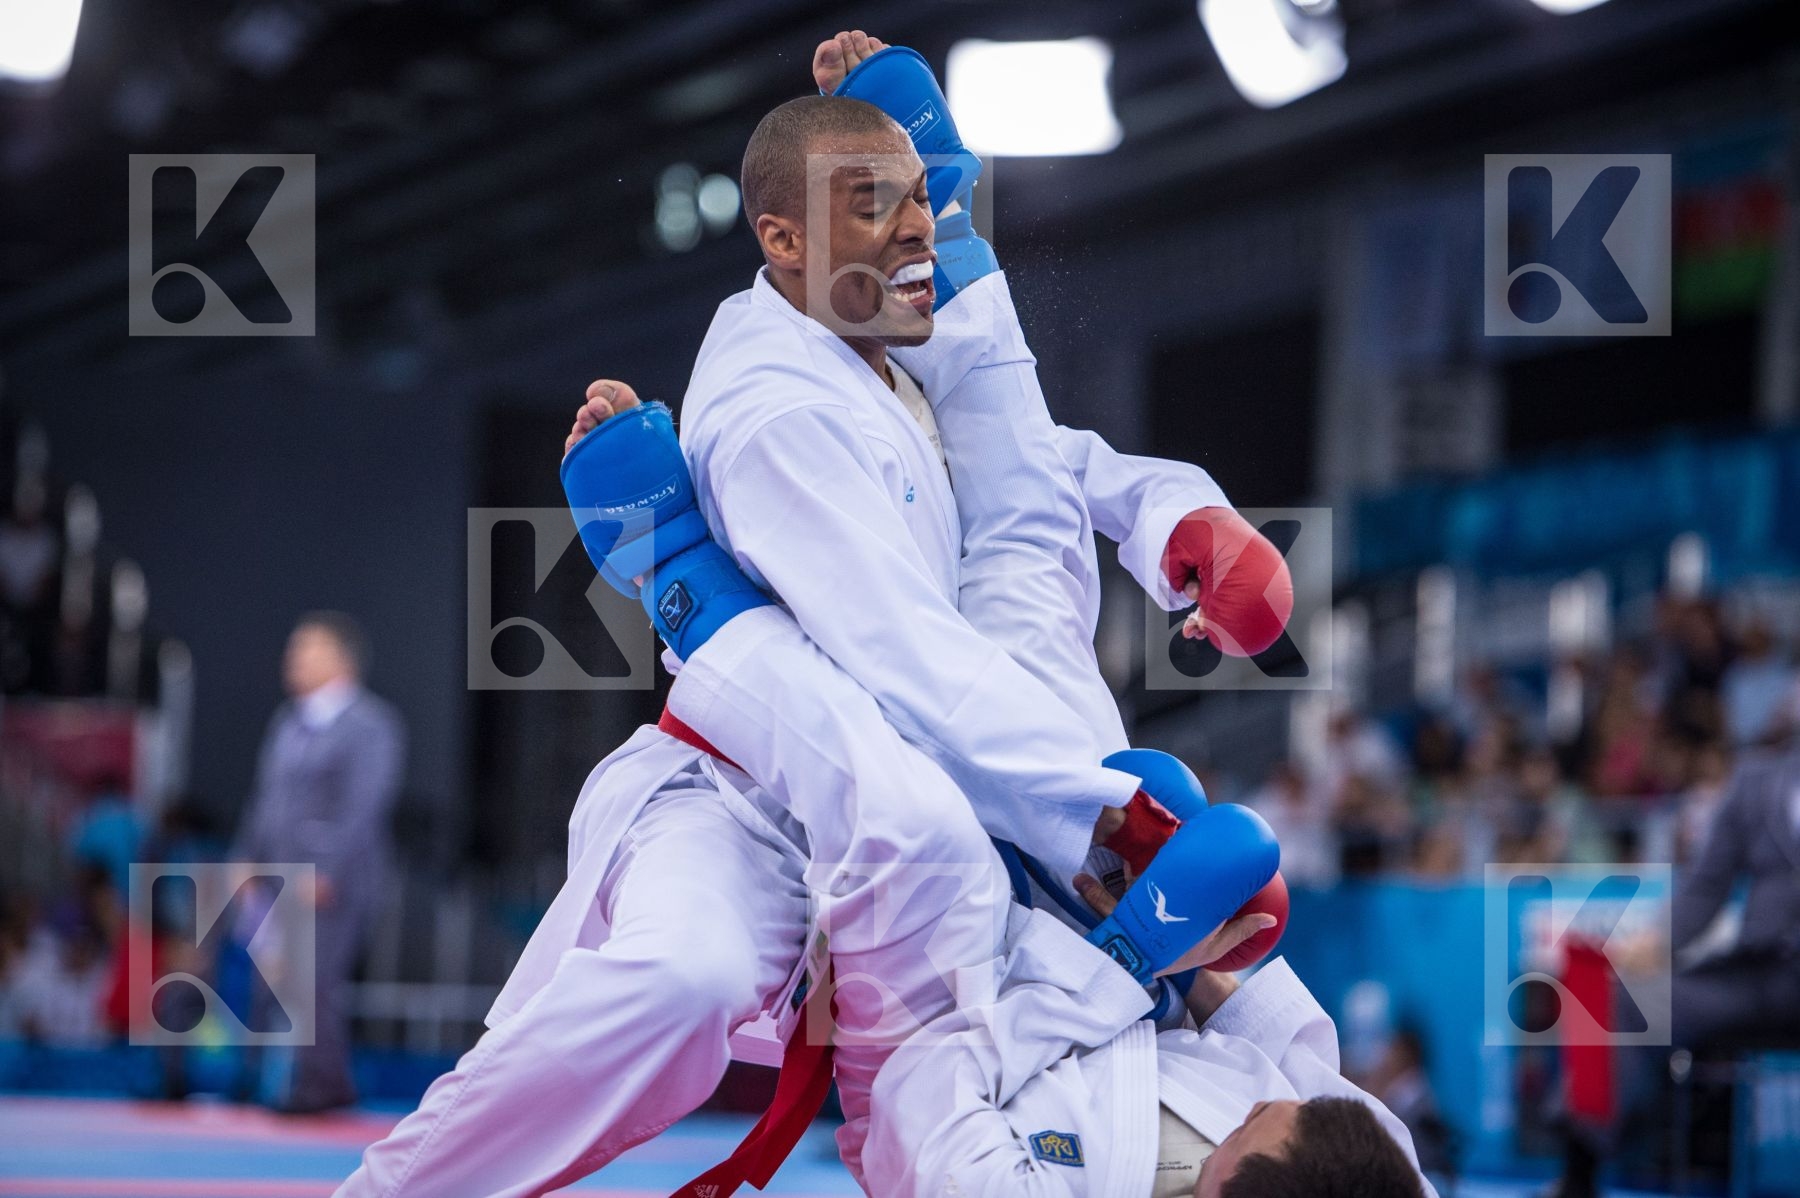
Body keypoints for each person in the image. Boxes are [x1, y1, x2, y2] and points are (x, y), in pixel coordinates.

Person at [339, 35, 1288, 1195]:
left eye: (927, 199)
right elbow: (908, 663)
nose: (917, 229)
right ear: (784, 242)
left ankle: (686, 581)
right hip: (760, 791)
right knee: (678, 984)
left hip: (944, 780)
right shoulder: (771, 411)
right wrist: (1112, 824)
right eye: (874, 204)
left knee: (1170, 1023)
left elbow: (1024, 459)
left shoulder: (883, 349)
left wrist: (1172, 514)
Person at [862, 878, 1433, 1198]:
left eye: (1246, 1126)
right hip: (1128, 972)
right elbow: (1277, 1041)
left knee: (916, 825)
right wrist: (1175, 946)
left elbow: (923, 1089)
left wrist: (1116, 964)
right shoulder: (1382, 1177)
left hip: (959, 1005)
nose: (1260, 1101)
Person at [234, 611, 405, 1114]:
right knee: (268, 979)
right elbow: (265, 798)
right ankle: (254, 1080)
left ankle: (324, 1084)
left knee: (315, 982)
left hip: (331, 882)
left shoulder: (371, 725)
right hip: (279, 876)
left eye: (302, 650)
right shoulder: (290, 721)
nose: (290, 661)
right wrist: (246, 857)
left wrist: (328, 871)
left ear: (338, 660)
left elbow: (365, 806)